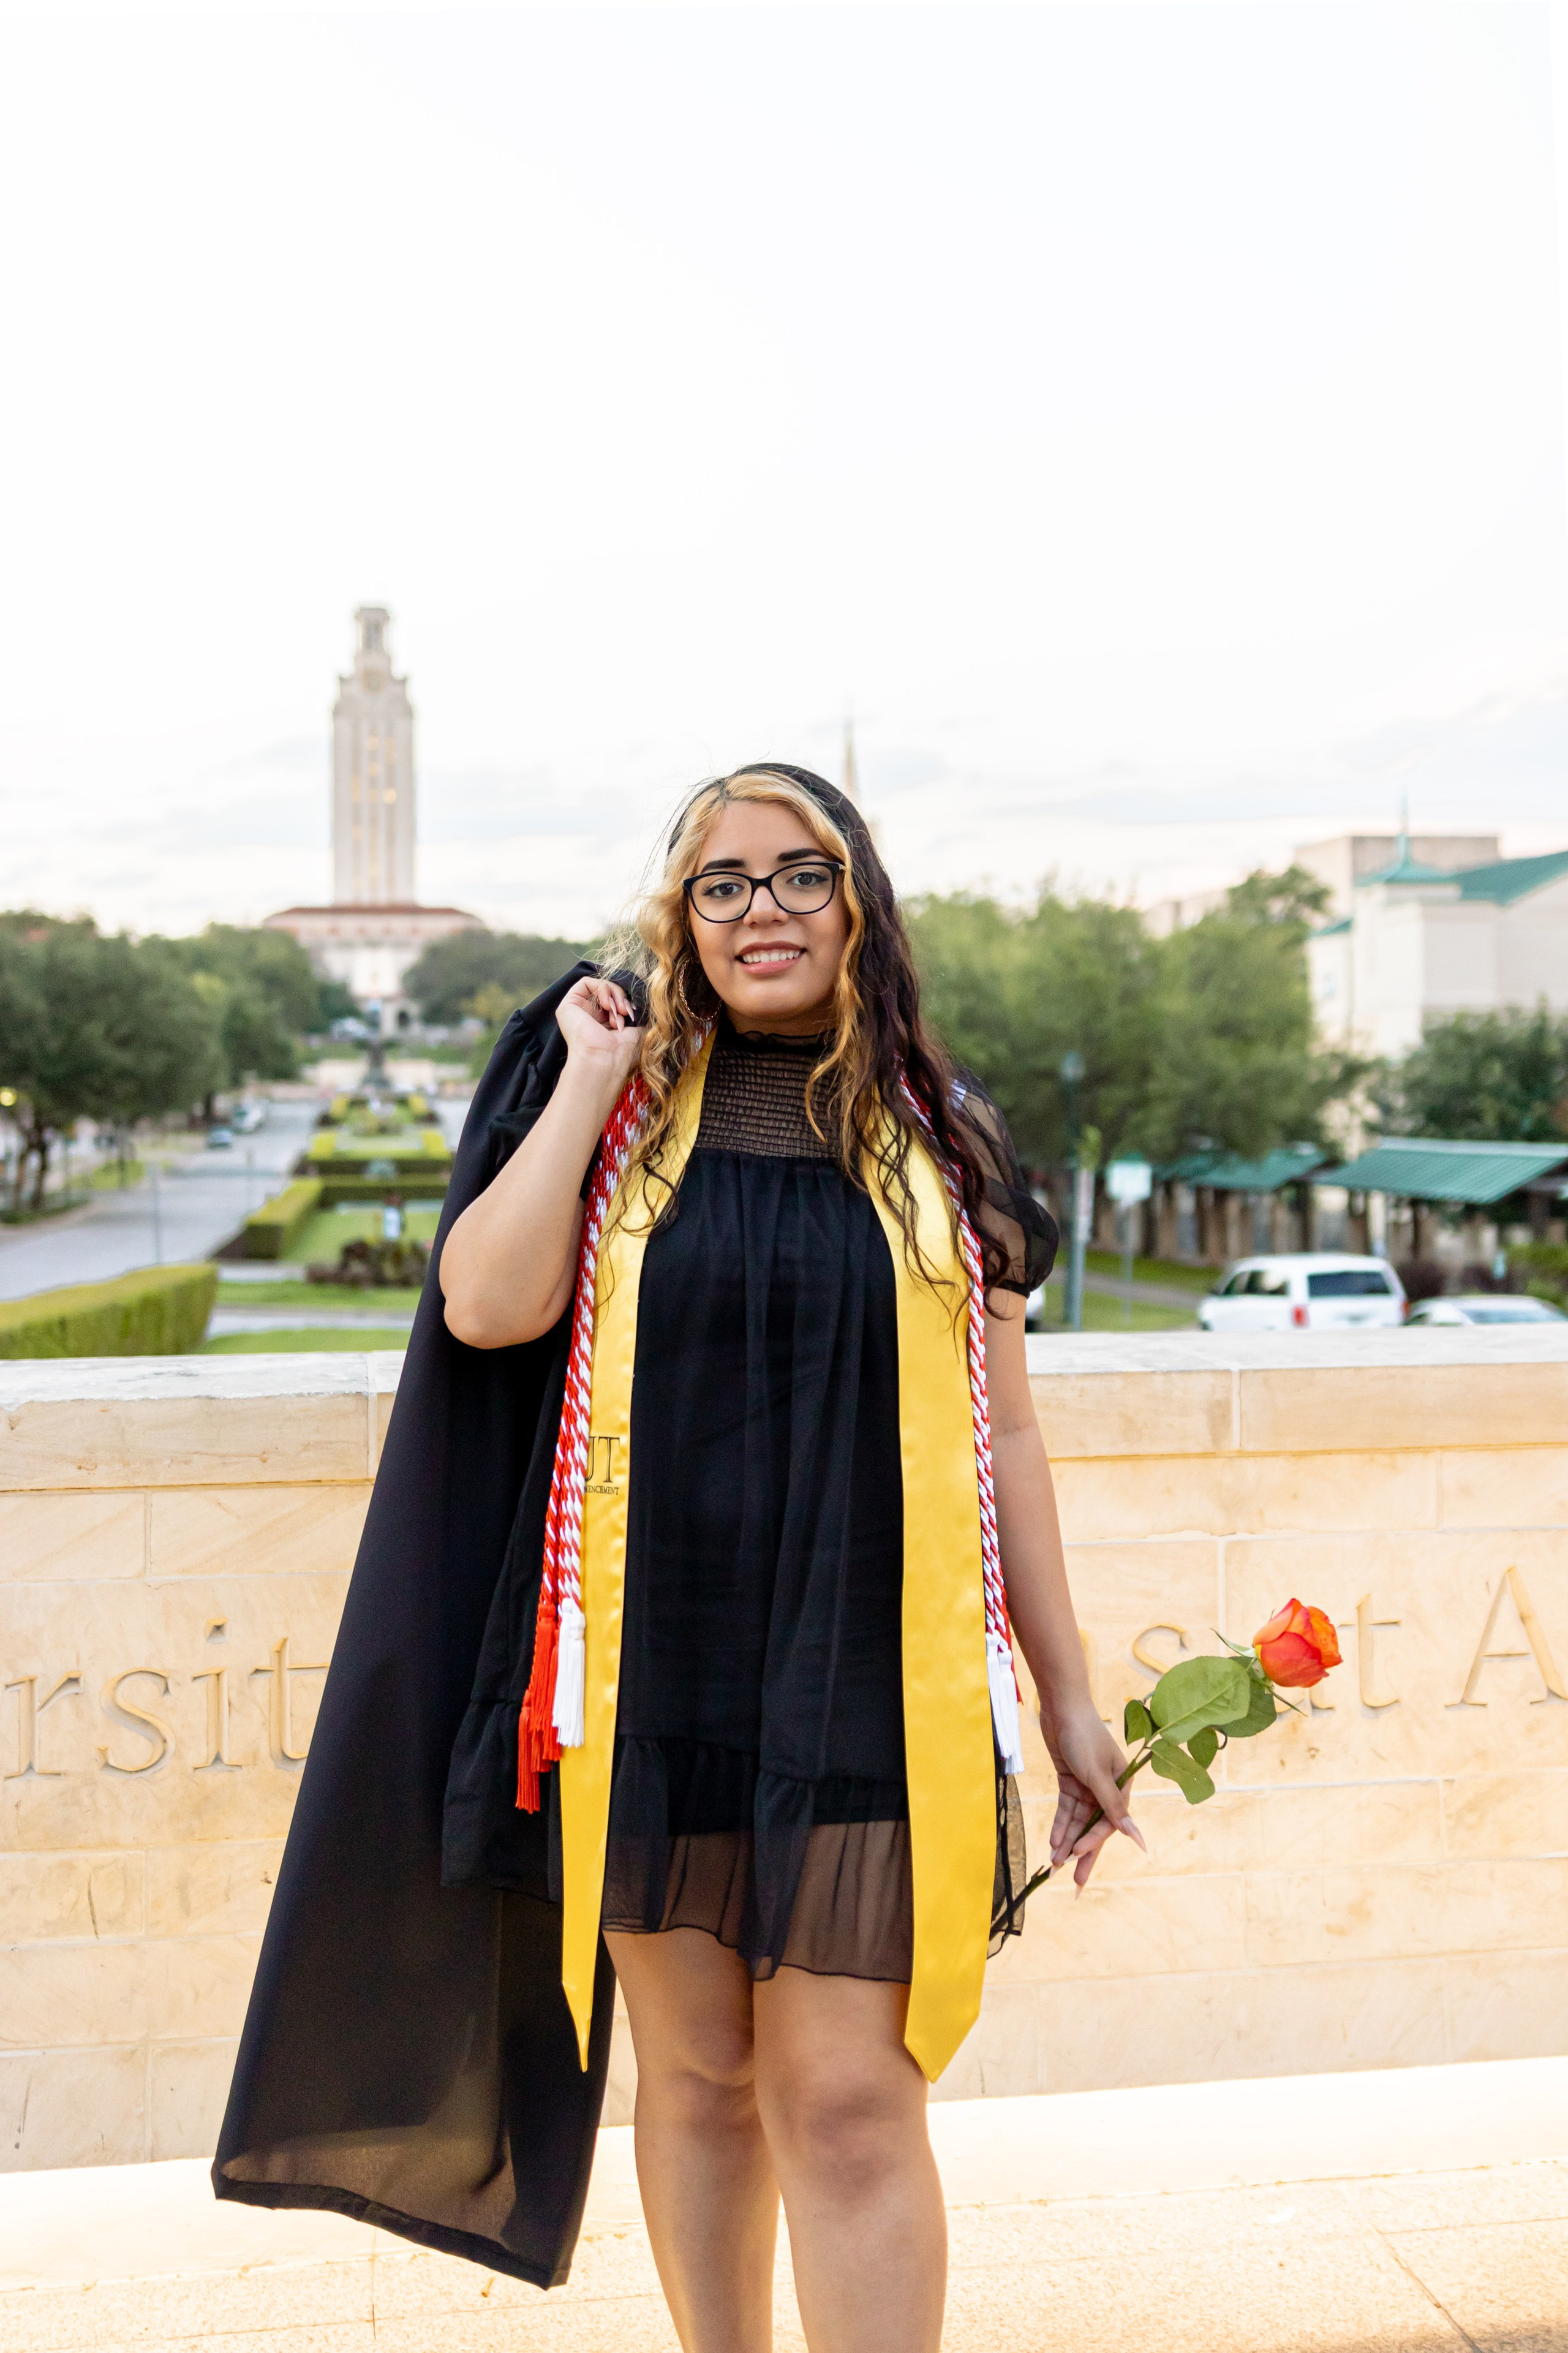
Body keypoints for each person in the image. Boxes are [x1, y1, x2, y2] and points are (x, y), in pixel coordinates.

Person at [213, 764, 1139, 2353]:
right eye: (724, 883)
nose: (762, 908)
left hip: (870, 1681)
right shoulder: (627, 1106)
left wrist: (1069, 1694)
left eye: (799, 875)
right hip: (654, 1671)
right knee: (701, 2083)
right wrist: (583, 1076)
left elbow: (1012, 1442)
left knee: (848, 2097)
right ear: (681, 915)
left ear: (859, 905)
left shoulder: (945, 1134)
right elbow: (488, 1302)